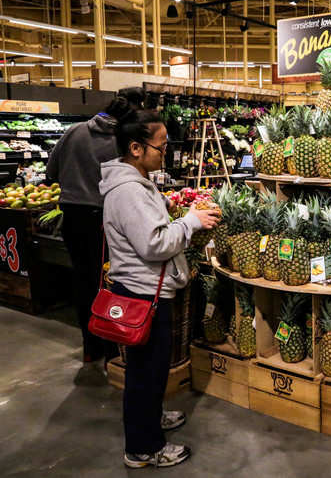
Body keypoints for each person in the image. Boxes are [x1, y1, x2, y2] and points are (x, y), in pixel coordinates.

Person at [99, 110, 220, 468]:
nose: (165, 152)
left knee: (151, 368)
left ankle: (151, 417)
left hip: (150, 290)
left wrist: (174, 205)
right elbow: (154, 244)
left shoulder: (139, 182)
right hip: (141, 294)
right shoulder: (127, 192)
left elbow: (150, 215)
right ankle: (142, 448)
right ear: (136, 148)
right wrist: (189, 222)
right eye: (161, 146)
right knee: (144, 372)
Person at [47, 87, 145, 366]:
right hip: (104, 218)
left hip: (71, 215)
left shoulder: (74, 131)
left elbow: (50, 172)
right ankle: (114, 348)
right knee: (109, 281)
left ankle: (90, 347)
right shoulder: (123, 141)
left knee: (83, 280)